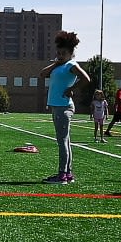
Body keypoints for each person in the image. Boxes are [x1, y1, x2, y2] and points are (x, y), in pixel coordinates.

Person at [39, 31, 90, 184]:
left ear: (71, 53)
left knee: (62, 141)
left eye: (64, 53)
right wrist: (56, 62)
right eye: (59, 53)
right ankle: (67, 173)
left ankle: (62, 175)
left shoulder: (71, 65)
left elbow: (86, 79)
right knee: (65, 141)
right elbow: (42, 74)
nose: (60, 55)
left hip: (64, 106)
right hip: (57, 106)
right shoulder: (59, 65)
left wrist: (71, 89)